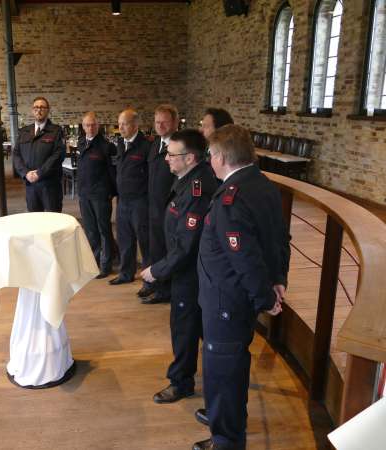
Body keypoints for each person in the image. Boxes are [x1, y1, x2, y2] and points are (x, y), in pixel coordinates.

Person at [193, 124, 290, 450]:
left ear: (221, 157)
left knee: (223, 370)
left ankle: (226, 440)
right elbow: (279, 239)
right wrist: (278, 280)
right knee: (231, 366)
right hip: (238, 297)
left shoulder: (230, 199)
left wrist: (266, 297)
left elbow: (245, 258)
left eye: (211, 154)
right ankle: (226, 417)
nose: (210, 160)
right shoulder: (262, 184)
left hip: (227, 301)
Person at [141, 129, 217, 403]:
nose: (166, 159)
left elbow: (187, 245)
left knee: (184, 328)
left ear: (190, 158)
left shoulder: (198, 190)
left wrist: (157, 271)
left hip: (190, 273)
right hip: (184, 269)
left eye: (172, 155)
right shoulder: (186, 179)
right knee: (193, 328)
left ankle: (181, 382)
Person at [140, 104, 179, 304]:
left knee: (166, 251)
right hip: (152, 207)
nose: (160, 125)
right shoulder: (155, 144)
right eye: (157, 122)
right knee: (153, 248)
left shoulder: (179, 147)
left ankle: (165, 291)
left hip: (169, 208)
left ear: (175, 122)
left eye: (164, 122)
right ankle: (153, 284)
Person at [109, 109, 151, 286]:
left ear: (135, 125)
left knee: (145, 241)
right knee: (124, 239)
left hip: (140, 201)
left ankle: (149, 280)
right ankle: (126, 273)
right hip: (123, 200)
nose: (120, 127)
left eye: (124, 124)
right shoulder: (120, 144)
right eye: (119, 124)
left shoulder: (146, 146)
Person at [77, 112, 117, 279]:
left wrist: (112, 193)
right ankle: (94, 263)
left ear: (98, 126)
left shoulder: (107, 146)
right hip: (84, 194)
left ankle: (105, 265)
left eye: (93, 124)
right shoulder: (81, 143)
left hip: (100, 195)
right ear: (83, 126)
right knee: (91, 230)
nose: (90, 128)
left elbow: (113, 172)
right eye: (87, 125)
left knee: (103, 230)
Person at [13, 97, 65, 212]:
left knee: (53, 218)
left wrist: (39, 173)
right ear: (32, 110)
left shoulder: (56, 131)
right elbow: (16, 154)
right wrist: (25, 173)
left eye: (42, 107)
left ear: (48, 110)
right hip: (30, 185)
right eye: (36, 107)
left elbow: (58, 155)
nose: (39, 110)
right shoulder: (24, 132)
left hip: (50, 185)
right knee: (34, 218)